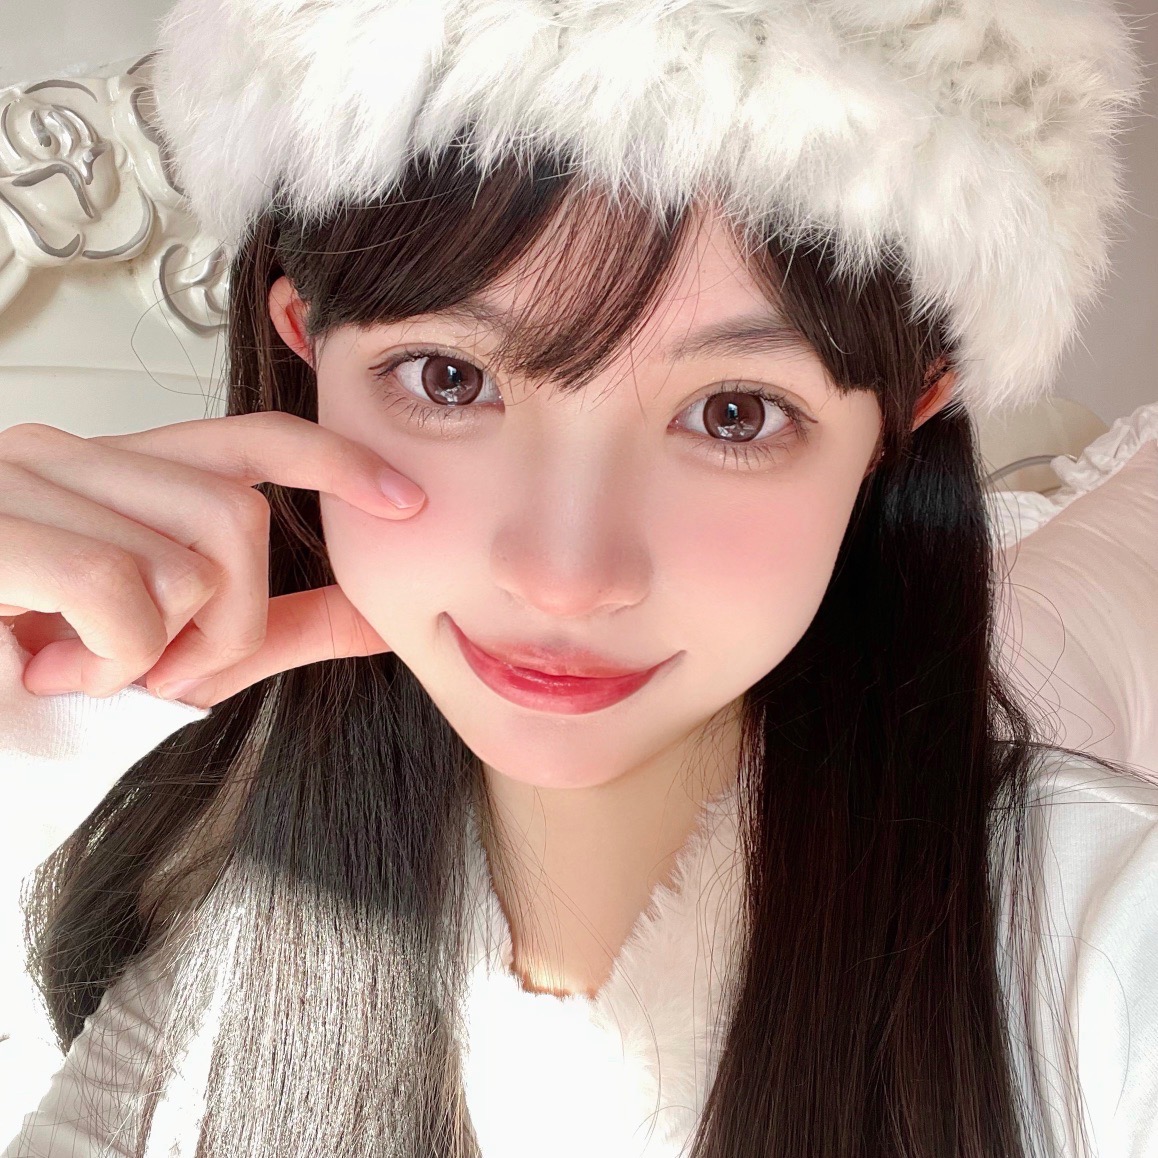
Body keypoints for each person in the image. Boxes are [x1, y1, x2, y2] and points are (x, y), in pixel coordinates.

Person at [2, 1, 1156, 1155]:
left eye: (734, 413)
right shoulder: (213, 926)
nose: (566, 578)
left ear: (906, 412)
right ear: (308, 348)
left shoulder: (1109, 942)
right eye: (449, 379)